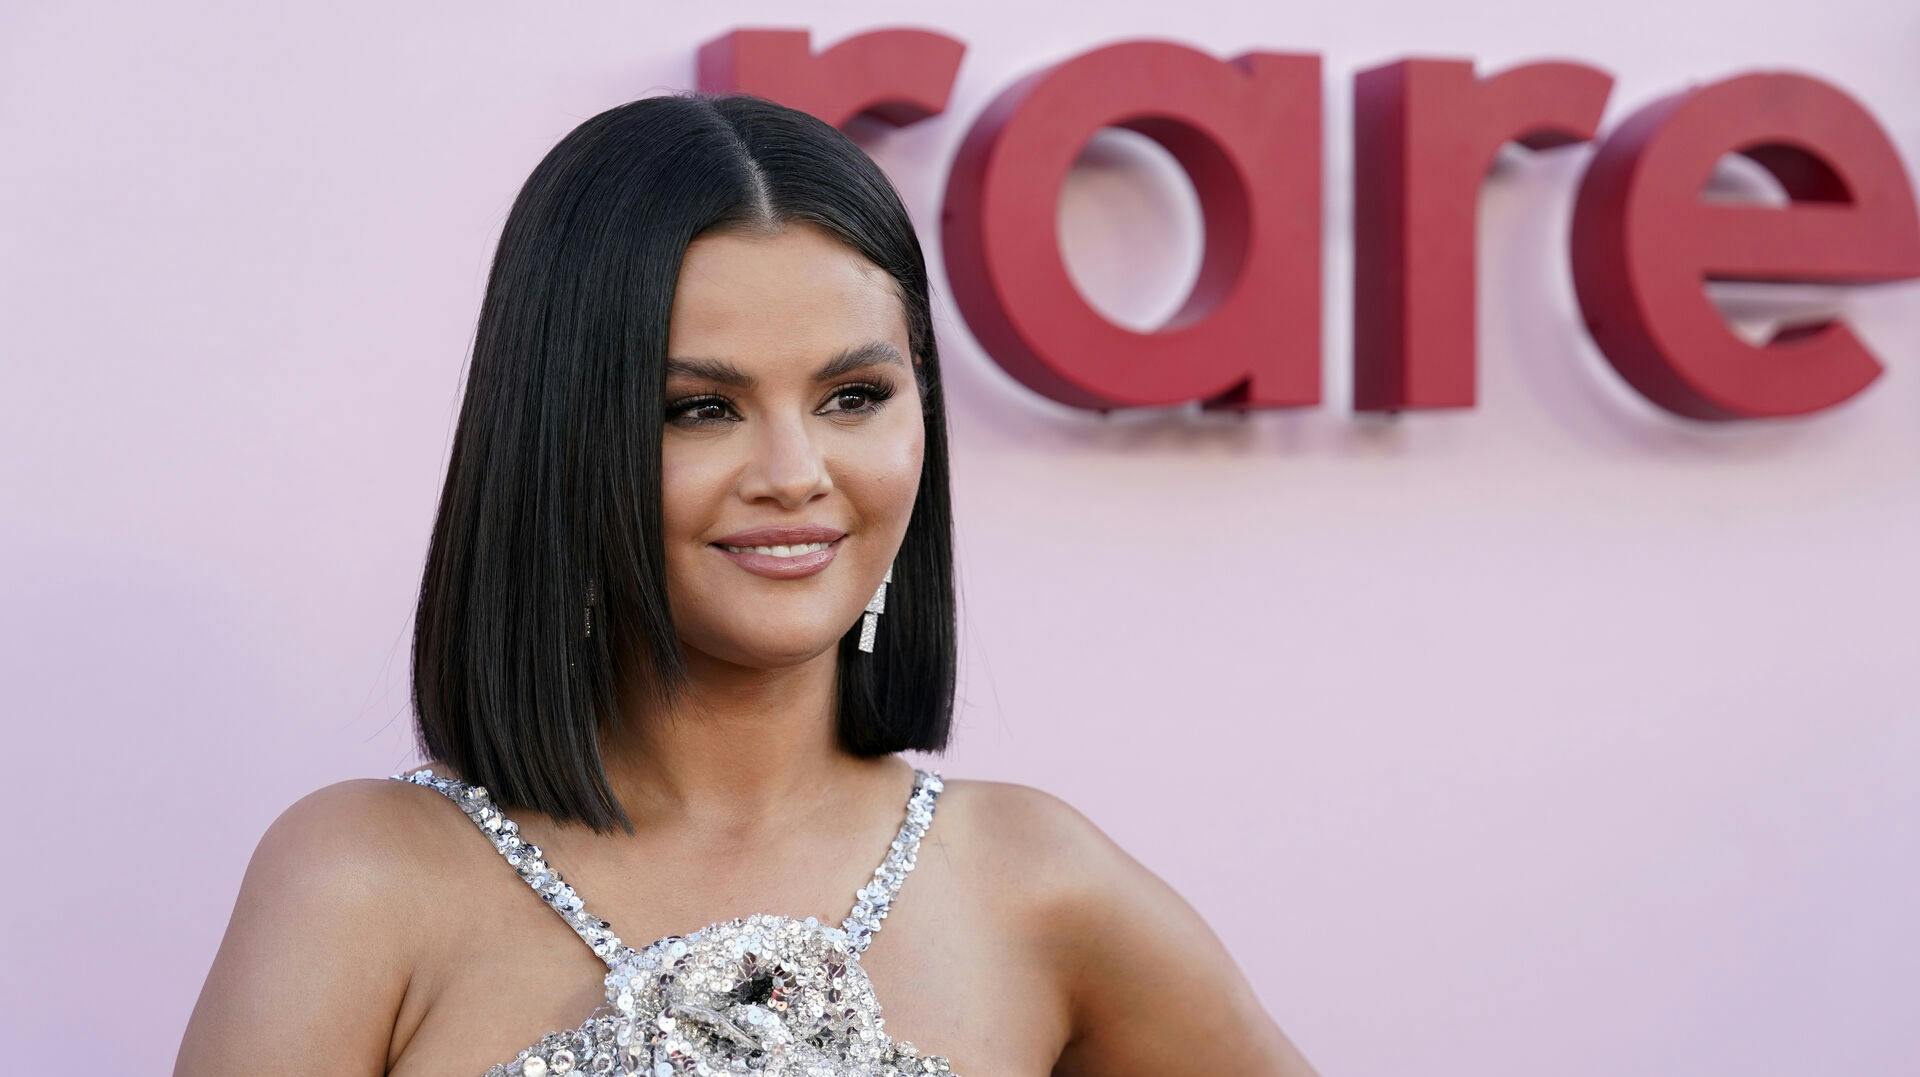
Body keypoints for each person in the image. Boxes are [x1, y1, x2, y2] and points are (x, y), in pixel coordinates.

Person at [175, 91, 1319, 1076]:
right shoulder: (361, 885)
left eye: (853, 397)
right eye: (700, 409)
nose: (795, 474)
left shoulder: (1035, 886)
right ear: (557, 437)